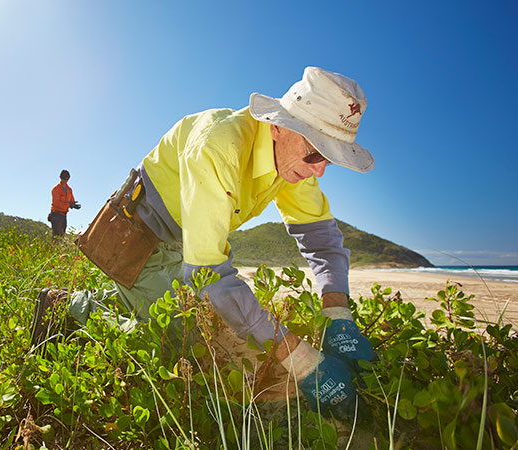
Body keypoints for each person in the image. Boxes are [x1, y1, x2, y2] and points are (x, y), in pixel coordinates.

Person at [36, 67, 377, 418]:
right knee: (182, 352)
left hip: (185, 245)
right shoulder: (219, 144)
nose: (319, 170)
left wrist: (338, 314)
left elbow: (321, 239)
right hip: (137, 238)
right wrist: (303, 361)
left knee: (219, 332)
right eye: (316, 152)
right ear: (279, 126)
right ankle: (67, 305)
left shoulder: (297, 163)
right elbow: (209, 270)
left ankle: (129, 296)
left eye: (330, 158)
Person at [47, 169, 80, 239]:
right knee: (56, 237)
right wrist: (69, 205)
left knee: (62, 236)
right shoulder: (55, 189)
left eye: (67, 178)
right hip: (56, 214)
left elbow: (71, 200)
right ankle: (53, 249)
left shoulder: (69, 189)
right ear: (61, 178)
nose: (65, 180)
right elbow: (57, 203)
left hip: (64, 215)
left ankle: (58, 249)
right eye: (64, 178)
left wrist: (74, 205)